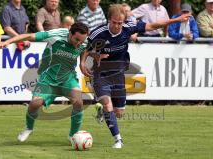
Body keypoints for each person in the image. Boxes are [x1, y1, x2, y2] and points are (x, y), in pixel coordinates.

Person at [80, 4, 190, 148]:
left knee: (119, 113)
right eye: (114, 22)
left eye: (120, 23)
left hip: (119, 75)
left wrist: (176, 20)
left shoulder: (128, 28)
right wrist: (83, 63)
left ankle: (102, 110)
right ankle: (118, 140)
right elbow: (85, 49)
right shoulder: (98, 33)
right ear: (109, 20)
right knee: (108, 104)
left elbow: (153, 25)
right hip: (101, 73)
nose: (117, 26)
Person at [0, 22, 89, 142]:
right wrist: (7, 42)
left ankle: (73, 135)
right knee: (34, 104)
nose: (79, 43)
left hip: (68, 78)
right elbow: (30, 36)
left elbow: (86, 49)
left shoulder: (85, 41)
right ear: (70, 33)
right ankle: (28, 127)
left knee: (79, 103)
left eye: (81, 41)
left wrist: (82, 62)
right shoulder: (56, 35)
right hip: (48, 78)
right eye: (77, 39)